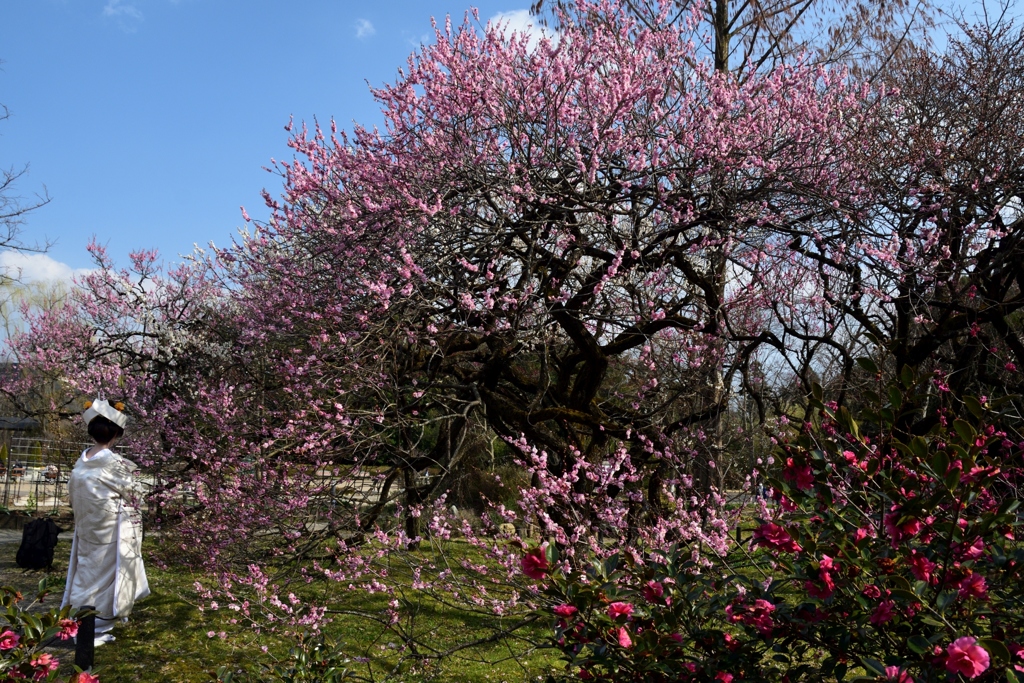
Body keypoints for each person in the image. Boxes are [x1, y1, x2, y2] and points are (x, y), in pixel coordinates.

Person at [61, 398, 150, 647]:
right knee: (106, 577)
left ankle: (79, 621)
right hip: (110, 528)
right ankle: (95, 628)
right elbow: (135, 495)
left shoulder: (82, 461)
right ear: (117, 434)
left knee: (86, 572)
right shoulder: (115, 464)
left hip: (87, 525)